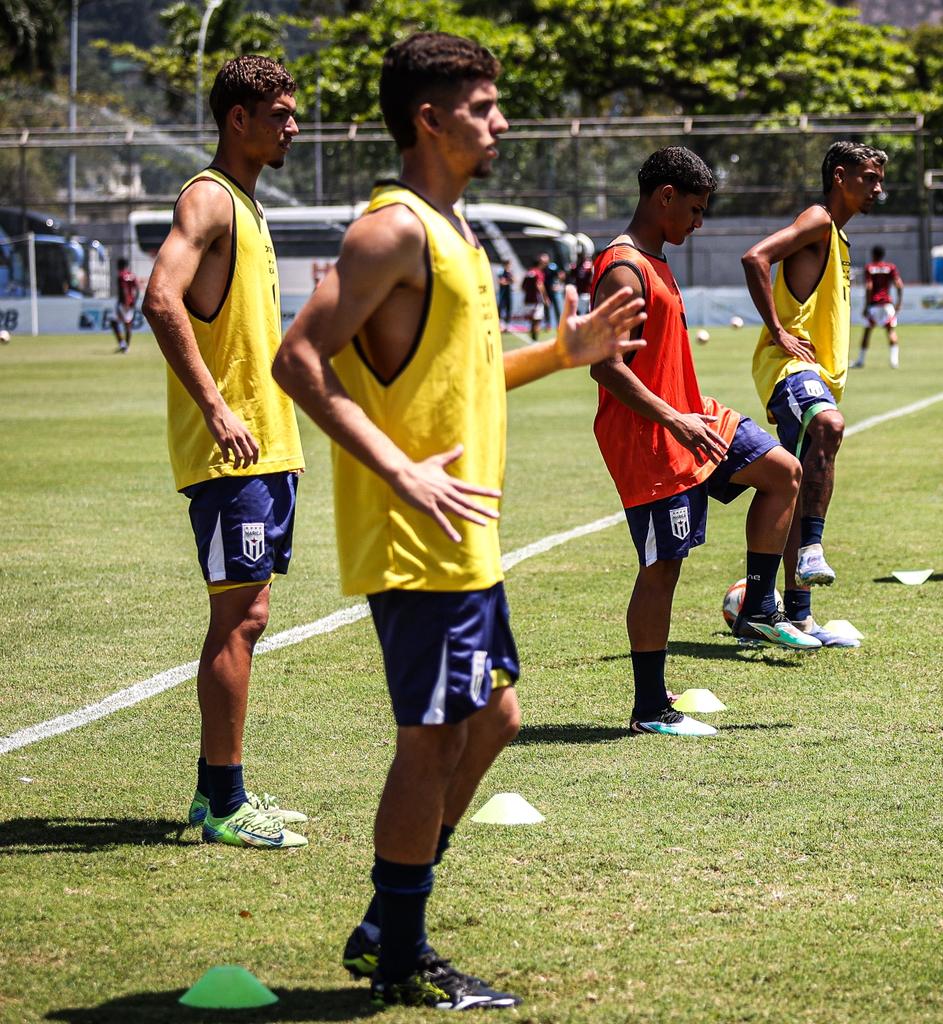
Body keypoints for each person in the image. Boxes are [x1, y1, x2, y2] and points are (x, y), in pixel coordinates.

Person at [272, 32, 644, 1010]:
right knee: (433, 738)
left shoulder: (457, 232)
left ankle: (385, 923)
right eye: (481, 107)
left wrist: (562, 354)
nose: (499, 121)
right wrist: (397, 468)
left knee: (496, 718)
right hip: (414, 538)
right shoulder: (391, 231)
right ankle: (399, 952)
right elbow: (297, 358)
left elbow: (467, 375)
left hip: (465, 535)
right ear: (429, 119)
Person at [591, 146, 817, 741]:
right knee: (662, 567)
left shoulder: (656, 260)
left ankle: (758, 608)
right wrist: (674, 419)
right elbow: (605, 367)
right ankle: (649, 708)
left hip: (693, 418)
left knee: (783, 472)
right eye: (694, 210)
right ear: (664, 196)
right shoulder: (623, 268)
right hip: (651, 437)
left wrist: (687, 416)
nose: (699, 222)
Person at [141, 55, 308, 848]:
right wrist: (215, 408)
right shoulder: (208, 197)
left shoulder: (247, 203)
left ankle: (216, 792)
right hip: (232, 454)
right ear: (237, 119)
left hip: (267, 448)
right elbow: (159, 297)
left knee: (249, 615)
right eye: (280, 114)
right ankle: (227, 805)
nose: (293, 126)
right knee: (240, 620)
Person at [741, 141, 885, 647]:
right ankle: (812, 550)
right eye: (869, 178)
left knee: (795, 487)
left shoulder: (838, 236)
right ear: (839, 176)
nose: (878, 188)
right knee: (828, 424)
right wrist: (779, 331)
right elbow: (755, 257)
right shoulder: (819, 220)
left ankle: (795, 615)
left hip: (817, 376)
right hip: (790, 369)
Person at [854, 243, 904, 368]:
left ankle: (860, 360)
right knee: (890, 331)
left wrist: (866, 306)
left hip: (874, 305)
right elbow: (899, 284)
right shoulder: (890, 267)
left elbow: (869, 286)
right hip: (887, 305)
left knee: (867, 332)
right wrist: (899, 302)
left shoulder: (870, 267)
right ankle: (894, 361)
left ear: (873, 255)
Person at [111, 257, 139, 352]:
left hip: (124, 303)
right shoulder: (132, 275)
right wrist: (134, 301)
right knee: (125, 324)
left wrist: (125, 302)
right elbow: (137, 289)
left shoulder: (121, 276)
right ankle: (124, 345)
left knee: (117, 323)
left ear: (119, 265)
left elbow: (123, 290)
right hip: (130, 303)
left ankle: (124, 346)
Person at [521, 252, 549, 340]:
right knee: (537, 322)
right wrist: (545, 297)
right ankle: (535, 341)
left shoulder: (529, 272)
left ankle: (533, 340)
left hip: (527, 300)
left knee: (532, 322)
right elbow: (539, 285)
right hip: (536, 301)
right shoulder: (538, 272)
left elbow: (522, 286)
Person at [496, 260, 514, 329]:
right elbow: (501, 282)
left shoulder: (509, 272)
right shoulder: (501, 271)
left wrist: (508, 281)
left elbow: (513, 280)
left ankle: (507, 324)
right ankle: (500, 323)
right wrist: (508, 282)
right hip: (502, 293)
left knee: (509, 308)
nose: (509, 266)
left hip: (508, 292)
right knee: (501, 307)